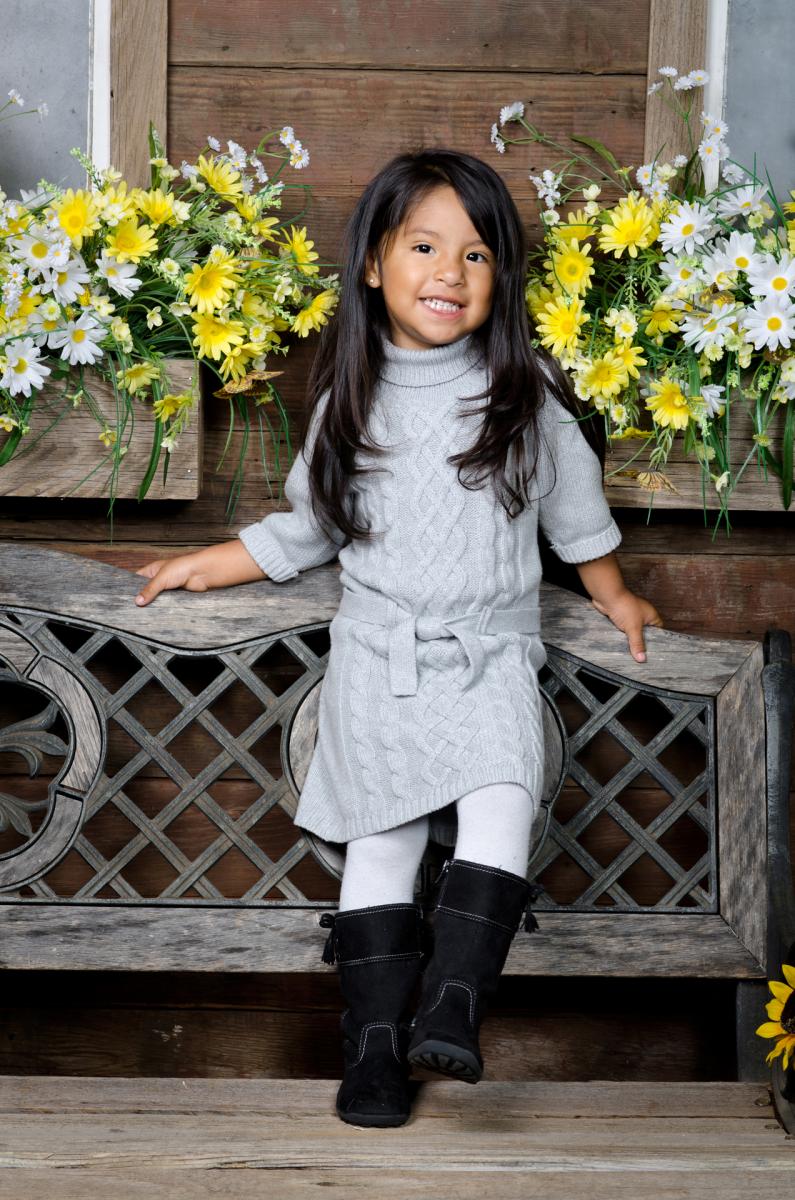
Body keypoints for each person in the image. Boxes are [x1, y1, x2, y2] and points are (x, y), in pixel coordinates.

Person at [133, 148, 664, 1129]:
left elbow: (575, 514)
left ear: (501, 275)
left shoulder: (523, 397)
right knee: (382, 839)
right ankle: (374, 1052)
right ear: (375, 264)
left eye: (475, 254)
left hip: (491, 654)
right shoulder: (354, 398)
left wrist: (616, 592)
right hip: (381, 661)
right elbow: (309, 527)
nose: (448, 273)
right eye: (424, 246)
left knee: (505, 798)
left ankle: (453, 1009)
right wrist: (210, 561)